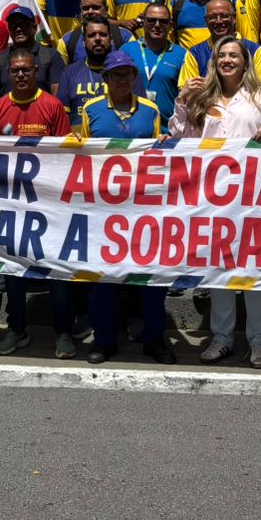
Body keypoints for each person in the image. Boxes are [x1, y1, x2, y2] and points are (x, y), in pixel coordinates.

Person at [172, 37, 261, 369]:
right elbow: (184, 139)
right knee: (219, 270)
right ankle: (222, 338)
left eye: (233, 55)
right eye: (221, 55)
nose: (227, 60)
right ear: (213, 62)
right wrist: (183, 101)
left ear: (245, 62)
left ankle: (259, 341)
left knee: (253, 270)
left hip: (252, 197)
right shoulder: (202, 97)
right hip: (212, 198)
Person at [73, 52, 165, 361]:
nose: (122, 79)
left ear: (135, 77)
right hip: (103, 209)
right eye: (116, 74)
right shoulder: (91, 110)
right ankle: (104, 340)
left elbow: (160, 157)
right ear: (106, 79)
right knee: (103, 280)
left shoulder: (151, 111)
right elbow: (80, 156)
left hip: (143, 209)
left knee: (151, 278)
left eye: (127, 73)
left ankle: (155, 339)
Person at [0, 49, 73, 355]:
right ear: (8, 74)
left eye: (26, 70)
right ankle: (16, 329)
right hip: (12, 206)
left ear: (36, 71)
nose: (21, 75)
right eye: (15, 71)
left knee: (58, 272)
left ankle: (63, 332)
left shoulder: (52, 106)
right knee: (13, 272)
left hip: (49, 206)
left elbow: (65, 155)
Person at [56, 14, 144, 124]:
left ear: (111, 39)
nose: (97, 39)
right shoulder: (69, 72)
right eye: (92, 35)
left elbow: (142, 113)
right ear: (83, 41)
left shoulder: (128, 72)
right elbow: (62, 118)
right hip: (79, 139)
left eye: (102, 35)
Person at [180, 0, 261, 92]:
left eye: (224, 16)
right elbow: (188, 93)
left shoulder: (254, 50)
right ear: (206, 21)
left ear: (234, 18)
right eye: (212, 17)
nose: (219, 21)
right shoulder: (194, 54)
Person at [0, 9, 65, 112]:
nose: (18, 29)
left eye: (23, 24)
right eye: (13, 26)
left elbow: (58, 97)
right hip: (7, 124)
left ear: (34, 28)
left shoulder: (51, 56)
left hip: (41, 124)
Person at [126, 3, 196, 123]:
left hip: (167, 135)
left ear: (170, 25)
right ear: (143, 22)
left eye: (163, 21)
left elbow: (189, 99)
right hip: (131, 131)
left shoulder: (183, 55)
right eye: (151, 20)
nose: (157, 25)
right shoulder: (126, 51)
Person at [55, 0, 130, 63]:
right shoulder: (67, 42)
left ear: (106, 9)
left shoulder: (125, 38)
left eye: (95, 7)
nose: (90, 12)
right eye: (86, 8)